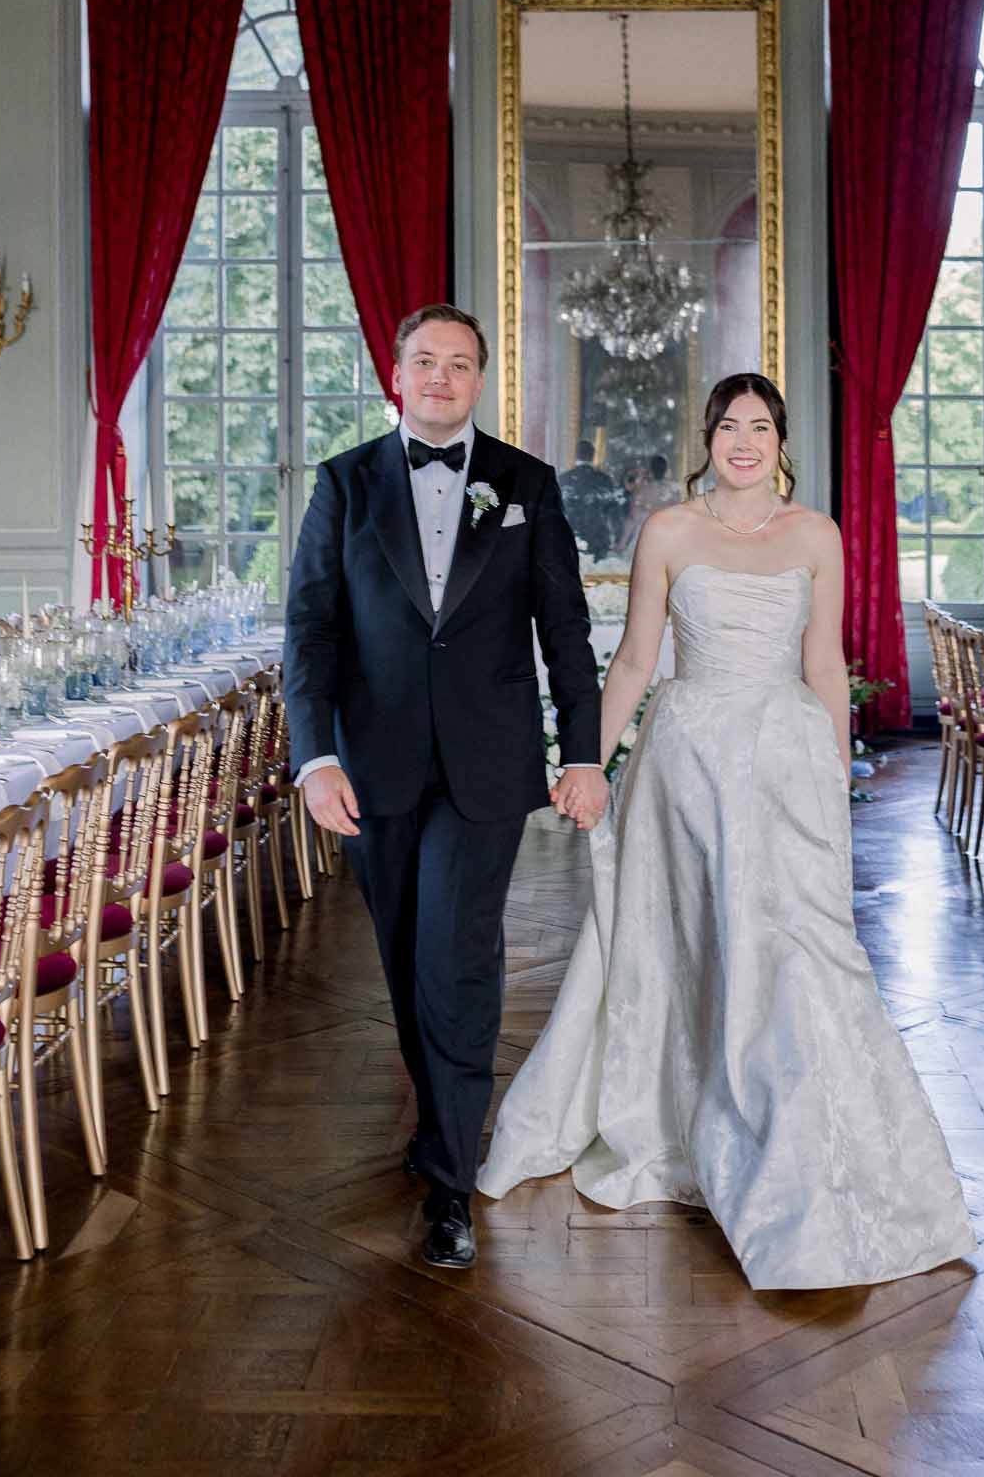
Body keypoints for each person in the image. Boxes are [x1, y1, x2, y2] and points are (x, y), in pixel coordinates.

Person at [479, 372, 977, 1290]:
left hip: (785, 755)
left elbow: (825, 666)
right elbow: (633, 658)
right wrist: (585, 759)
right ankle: (686, 1122)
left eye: (759, 426)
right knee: (690, 940)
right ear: (706, 437)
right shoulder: (668, 530)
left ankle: (796, 1140)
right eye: (727, 426)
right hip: (686, 755)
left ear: (779, 440)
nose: (742, 441)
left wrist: (834, 780)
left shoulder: (815, 533)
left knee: (799, 947)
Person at [285, 304, 605, 1272]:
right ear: (396, 372)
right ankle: (440, 1129)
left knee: (457, 961)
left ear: (479, 379)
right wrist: (314, 755)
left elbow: (567, 632)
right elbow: (311, 631)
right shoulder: (343, 482)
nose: (440, 377)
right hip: (368, 766)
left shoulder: (525, 483)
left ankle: (451, 1178)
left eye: (459, 363)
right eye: (424, 360)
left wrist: (582, 751)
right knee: (402, 961)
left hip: (487, 767)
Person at [558, 439, 628, 561]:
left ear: (576, 455)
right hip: (598, 538)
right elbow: (614, 512)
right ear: (593, 455)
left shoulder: (563, 479)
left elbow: (554, 512)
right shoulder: (604, 480)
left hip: (570, 538)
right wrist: (619, 537)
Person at [618, 451, 682, 550]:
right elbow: (678, 519)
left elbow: (632, 519)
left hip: (645, 539)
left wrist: (621, 544)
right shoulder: (674, 491)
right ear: (666, 470)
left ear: (651, 469)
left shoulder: (642, 490)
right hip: (667, 539)